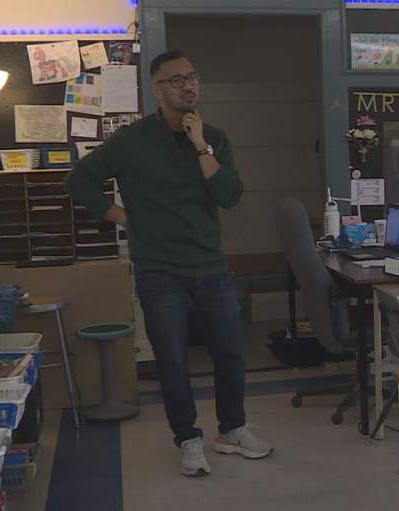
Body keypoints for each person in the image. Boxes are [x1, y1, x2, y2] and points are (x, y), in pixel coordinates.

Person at [65, 50, 274, 477]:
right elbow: (79, 180)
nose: (188, 85)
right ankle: (188, 439)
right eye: (176, 80)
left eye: (193, 77)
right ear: (157, 89)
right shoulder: (132, 141)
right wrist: (119, 215)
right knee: (172, 360)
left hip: (211, 267)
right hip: (160, 271)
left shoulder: (214, 136)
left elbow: (230, 196)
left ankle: (231, 430)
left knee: (231, 354)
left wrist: (201, 147)